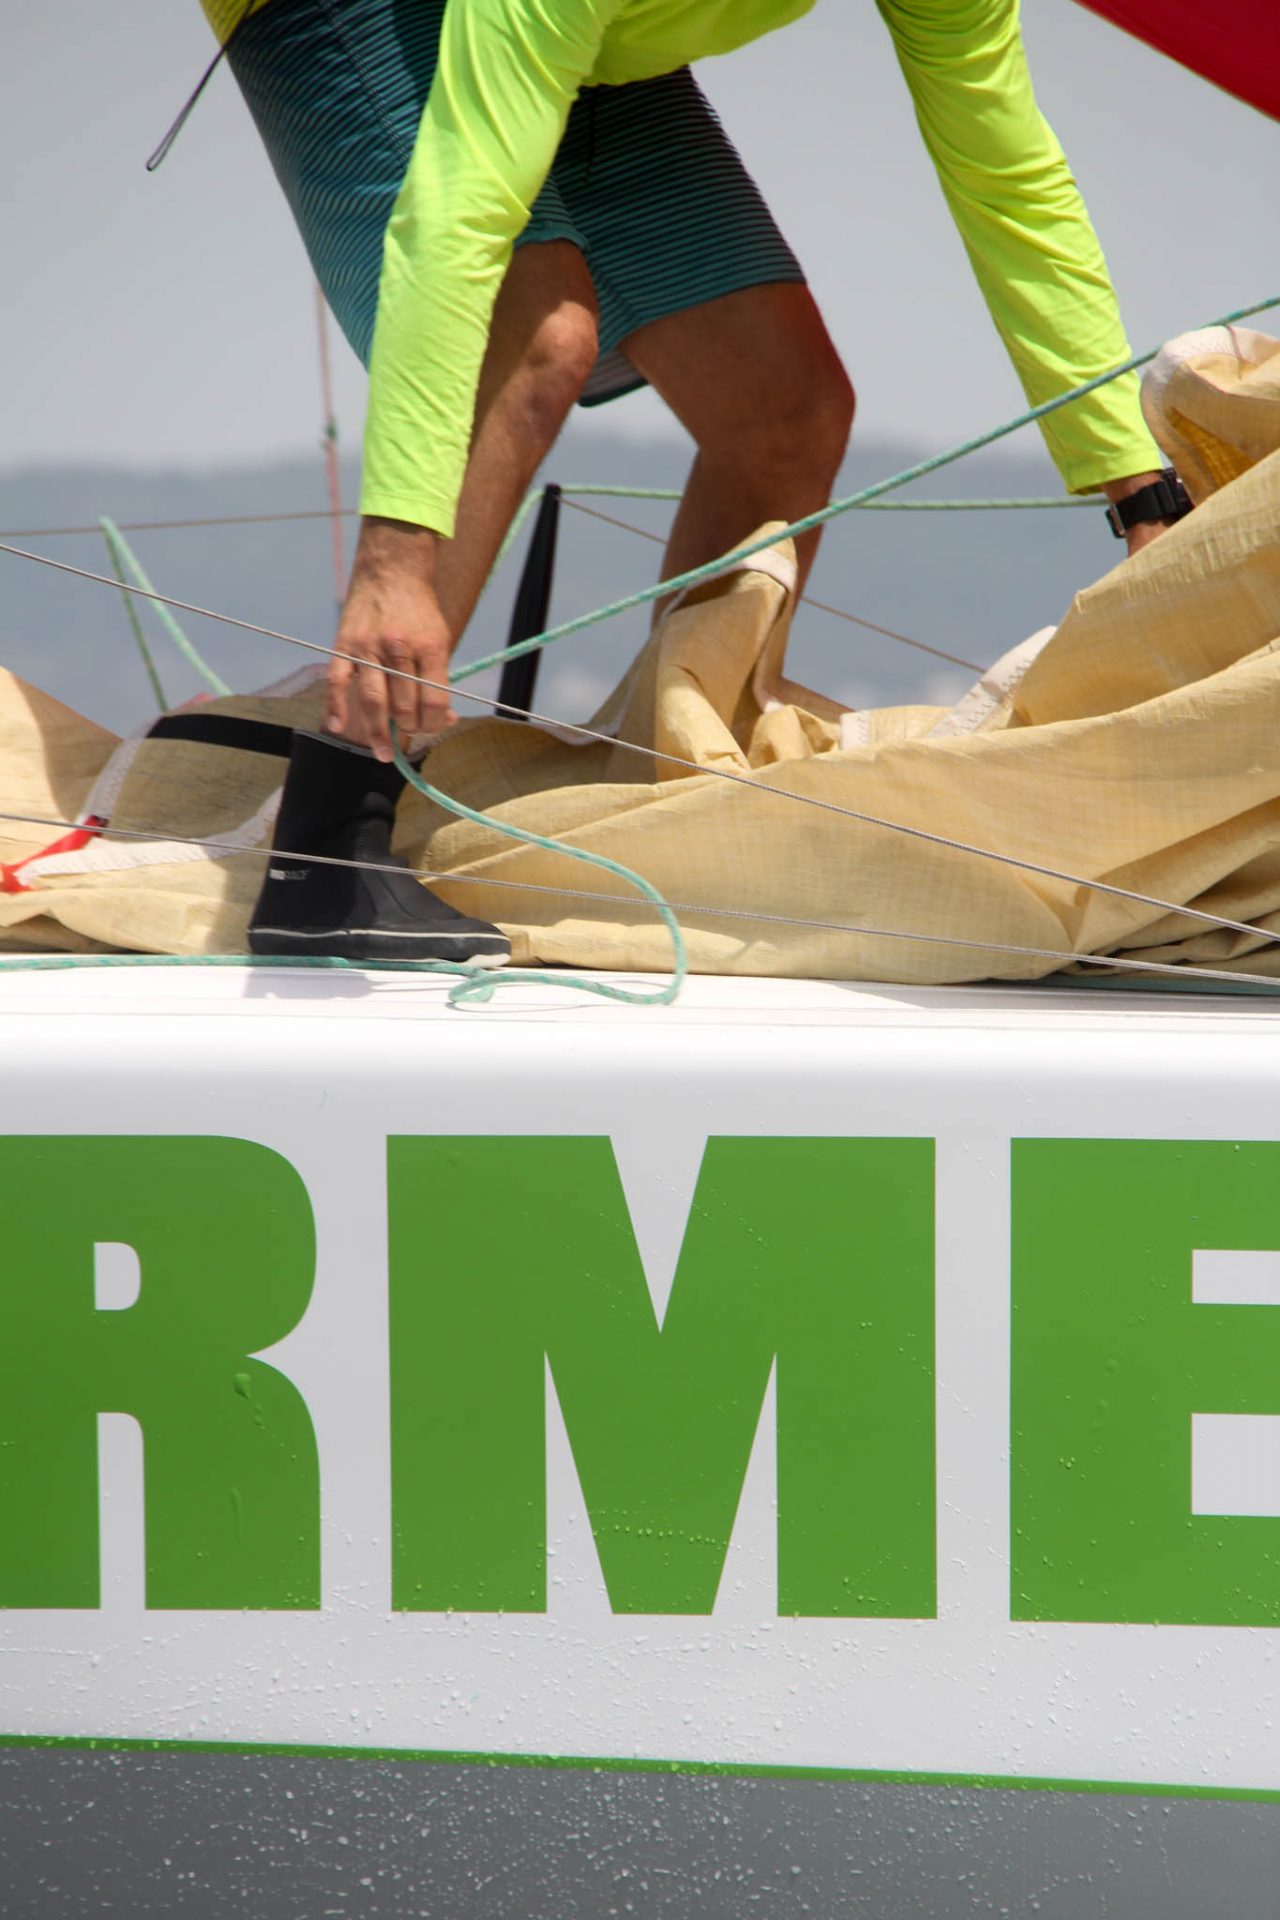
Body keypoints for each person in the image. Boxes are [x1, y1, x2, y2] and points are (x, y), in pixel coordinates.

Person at [188, 0, 1178, 965]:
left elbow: (1008, 179)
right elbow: (454, 218)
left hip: (601, 51)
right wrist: (395, 563)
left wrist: (1140, 492)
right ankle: (326, 848)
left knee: (783, 403)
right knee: (531, 336)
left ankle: (651, 806)